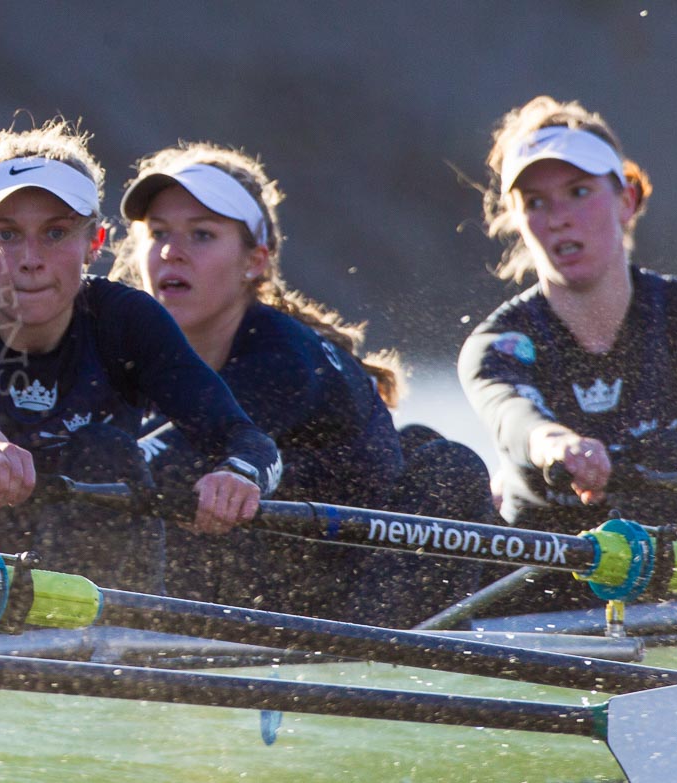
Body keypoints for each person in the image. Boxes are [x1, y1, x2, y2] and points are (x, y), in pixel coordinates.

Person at [0, 119, 280, 607]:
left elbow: (247, 439)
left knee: (103, 450)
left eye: (55, 233)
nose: (30, 259)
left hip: (87, 610)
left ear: (94, 242)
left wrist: (238, 474)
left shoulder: (128, 321)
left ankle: (123, 641)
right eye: (6, 235)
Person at [115, 142, 487, 625]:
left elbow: (159, 460)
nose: (171, 252)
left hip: (363, 615)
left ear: (255, 262)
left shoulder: (283, 353)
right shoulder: (127, 358)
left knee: (447, 466)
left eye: (202, 235)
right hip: (258, 604)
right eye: (159, 233)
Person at [459, 96, 677, 615]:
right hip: (538, 602)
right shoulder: (498, 344)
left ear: (626, 199)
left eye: (578, 192)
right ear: (516, 220)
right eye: (535, 203)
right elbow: (515, 417)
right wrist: (557, 446)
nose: (558, 219)